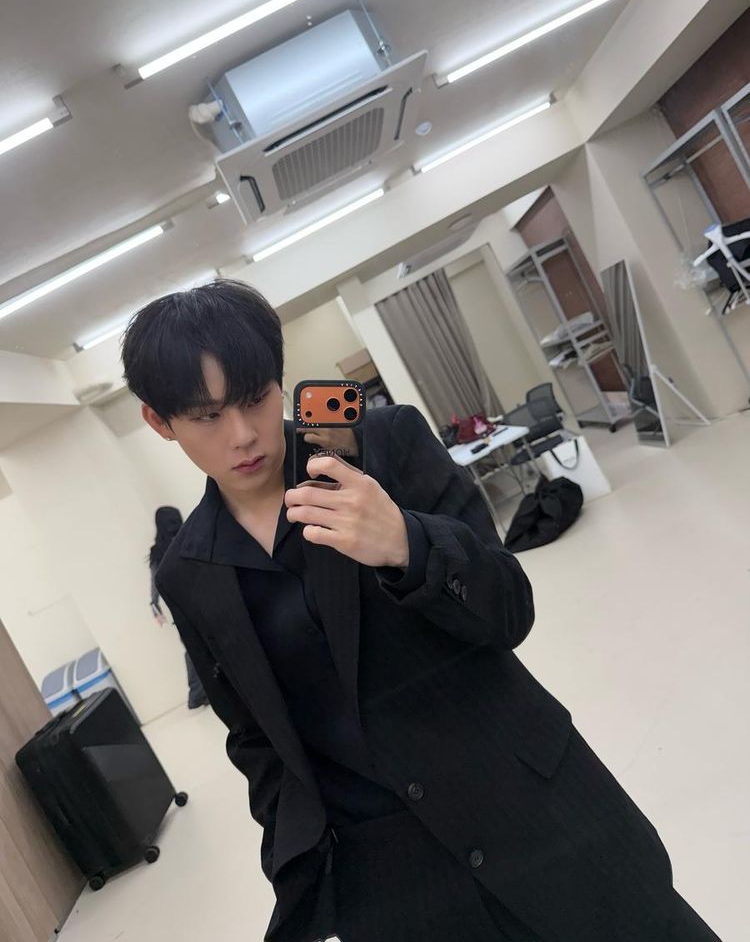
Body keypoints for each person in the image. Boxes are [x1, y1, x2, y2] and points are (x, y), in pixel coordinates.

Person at [122, 280, 720, 942]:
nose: (242, 435)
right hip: (394, 886)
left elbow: (507, 608)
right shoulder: (188, 573)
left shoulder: (383, 445)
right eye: (206, 417)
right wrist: (306, 872)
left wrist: (409, 545)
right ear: (160, 421)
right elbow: (257, 740)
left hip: (536, 809)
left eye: (254, 398)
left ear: (279, 380)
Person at [149, 505, 209, 710]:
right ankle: (197, 693)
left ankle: (198, 692)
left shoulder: (158, 551)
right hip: (199, 601)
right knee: (203, 647)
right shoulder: (187, 538)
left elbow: (155, 582)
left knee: (193, 649)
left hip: (180, 607)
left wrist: (154, 606)